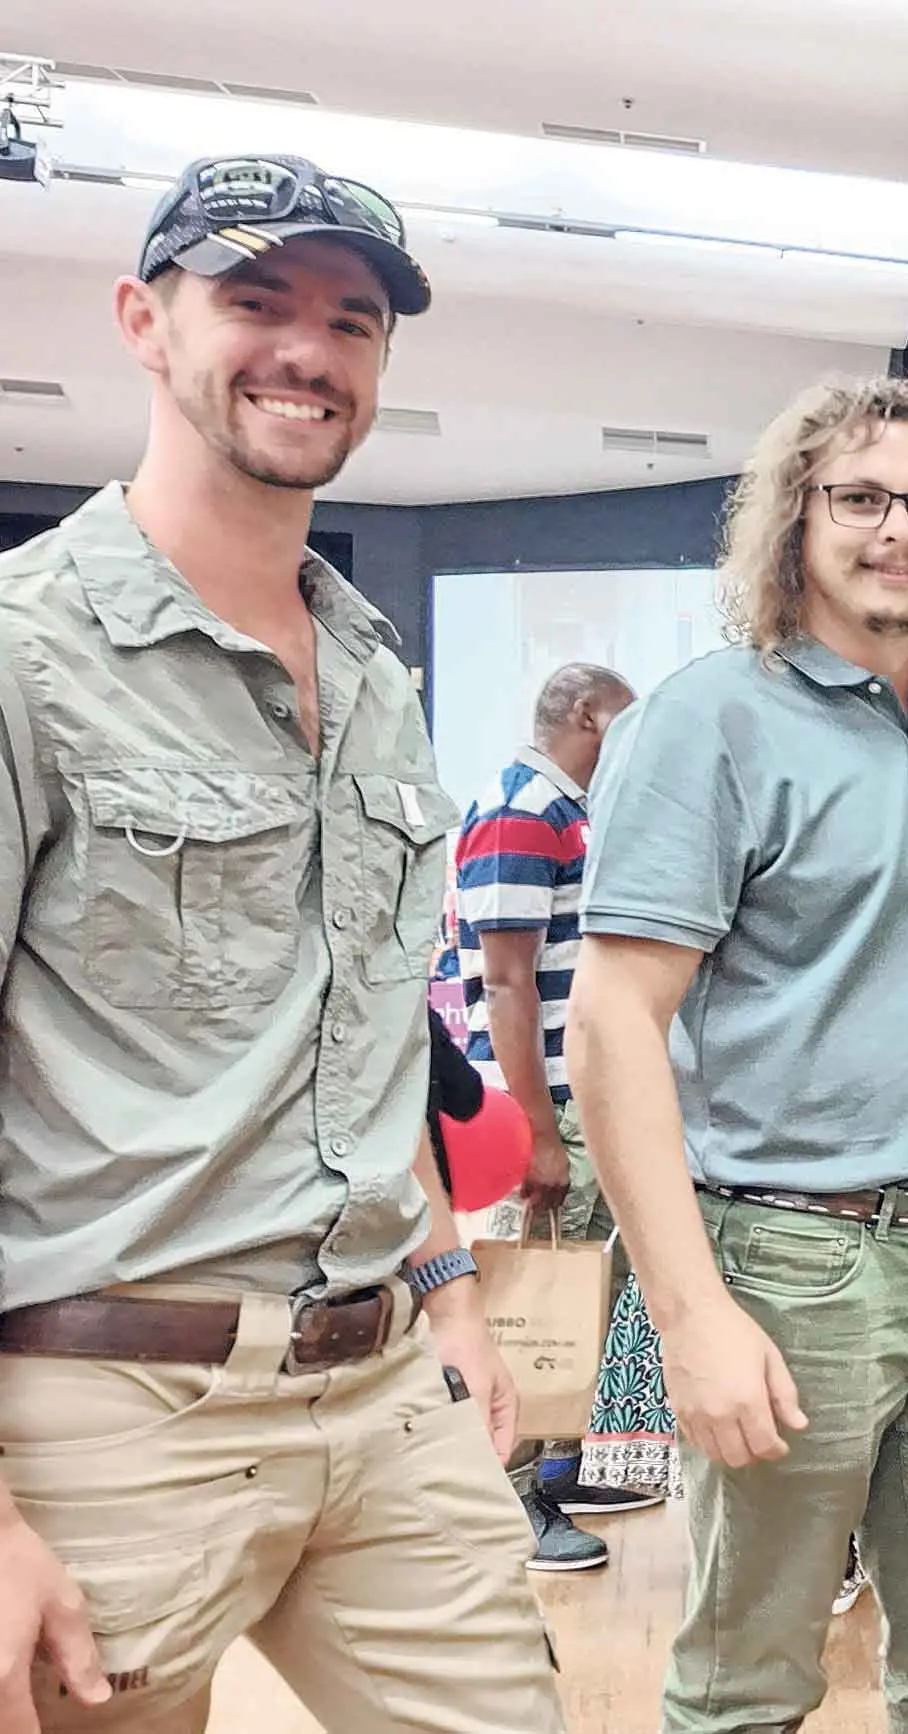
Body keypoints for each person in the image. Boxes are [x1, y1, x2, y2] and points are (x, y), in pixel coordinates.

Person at [0, 155, 561, 1732]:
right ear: (141, 319)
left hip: (383, 1378)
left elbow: (376, 1030)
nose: (306, 349)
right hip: (110, 1404)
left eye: (352, 319)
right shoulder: (26, 654)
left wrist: (450, 1280)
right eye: (255, 300)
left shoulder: (377, 675)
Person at [564, 375, 908, 1734]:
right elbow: (611, 1029)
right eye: (858, 498)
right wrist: (690, 1315)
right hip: (796, 1262)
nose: (895, 528)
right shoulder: (710, 717)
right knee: (750, 1676)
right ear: (796, 523)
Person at [440, 660, 648, 1571]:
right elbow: (504, 978)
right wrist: (534, 1127)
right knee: (521, 1305)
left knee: (575, 1295)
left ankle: (553, 1469)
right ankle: (507, 1505)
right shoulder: (524, 806)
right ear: (589, 714)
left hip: (579, 1099)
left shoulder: (568, 812)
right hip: (542, 1105)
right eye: (628, 723)